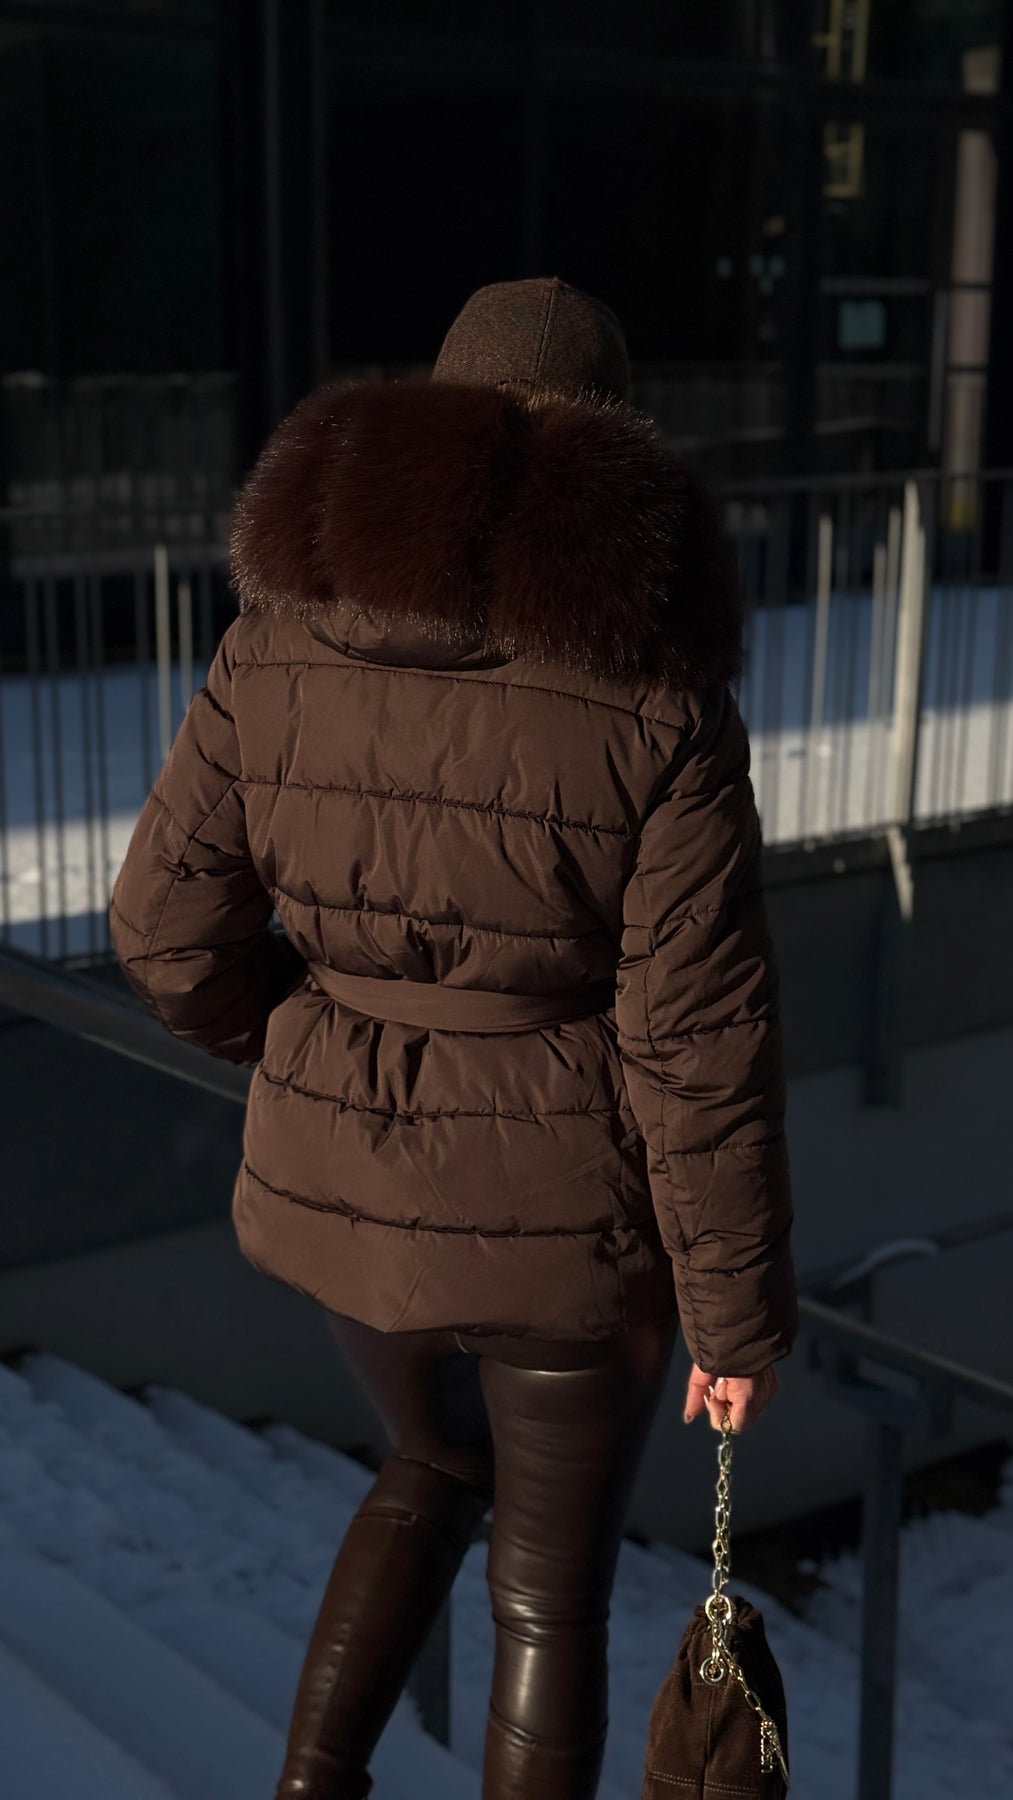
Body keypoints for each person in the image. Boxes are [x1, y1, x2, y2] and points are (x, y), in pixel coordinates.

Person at [109, 276, 797, 1800]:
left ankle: (310, 1787)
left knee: (426, 1468)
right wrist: (734, 1321)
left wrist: (307, 1045)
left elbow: (161, 928)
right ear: (610, 453)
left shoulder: (275, 644)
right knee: (544, 1599)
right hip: (566, 1227)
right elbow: (694, 1039)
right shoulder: (655, 696)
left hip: (352, 1204)